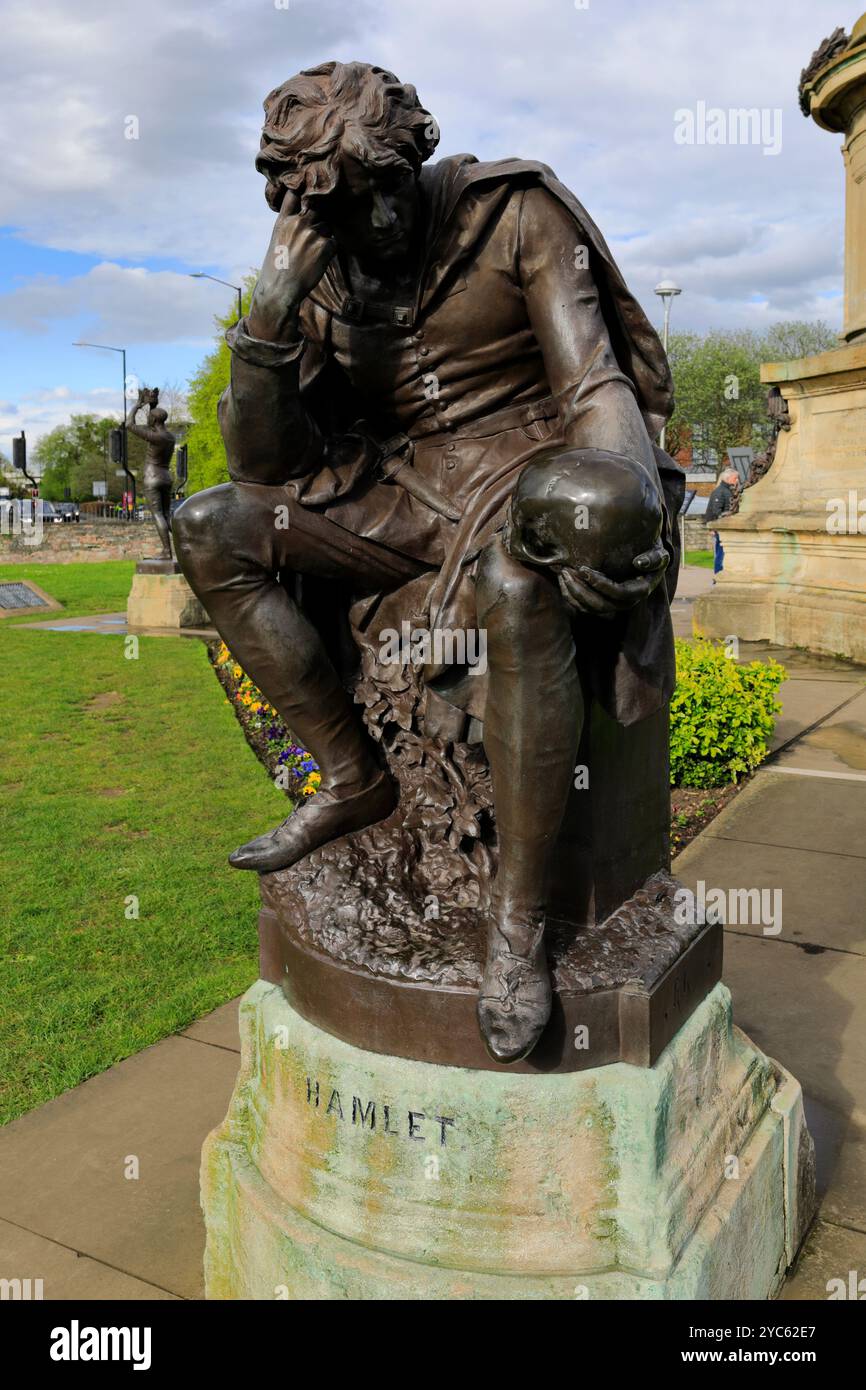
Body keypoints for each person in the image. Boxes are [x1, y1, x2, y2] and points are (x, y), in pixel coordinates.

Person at [173, 61, 683, 1063]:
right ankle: (353, 776)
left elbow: (592, 381)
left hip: (529, 475)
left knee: (518, 580)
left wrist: (618, 504)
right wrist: (268, 317)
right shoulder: (311, 275)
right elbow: (264, 466)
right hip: (400, 495)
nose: (373, 232)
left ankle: (515, 921)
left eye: (382, 200)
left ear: (408, 167)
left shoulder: (514, 214)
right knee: (209, 525)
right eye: (344, 218)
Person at [126, 389, 176, 560]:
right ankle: (184, 547)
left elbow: (129, 425)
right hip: (166, 476)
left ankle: (167, 552)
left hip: (152, 477)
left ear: (153, 420)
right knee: (167, 515)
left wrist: (137, 406)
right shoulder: (169, 437)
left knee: (158, 515)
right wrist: (152, 405)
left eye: (150, 417)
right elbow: (152, 423)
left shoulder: (156, 438)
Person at [705, 467, 740, 575]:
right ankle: (718, 577)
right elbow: (716, 511)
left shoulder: (729, 491)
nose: (737, 480)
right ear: (728, 478)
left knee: (726, 555)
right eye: (735, 478)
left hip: (727, 529)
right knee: (721, 555)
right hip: (721, 530)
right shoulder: (720, 491)